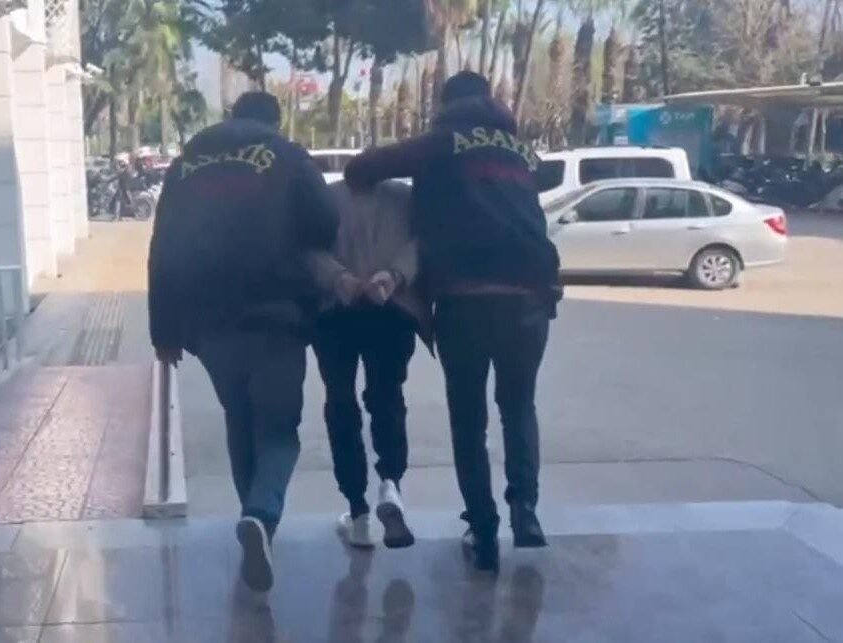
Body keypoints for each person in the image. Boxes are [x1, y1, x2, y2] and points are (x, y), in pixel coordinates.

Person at [343, 71, 561, 572]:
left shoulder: (441, 143)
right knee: (518, 406)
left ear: (446, 104)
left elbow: (362, 169)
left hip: (466, 298)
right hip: (530, 294)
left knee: (469, 419)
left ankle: (482, 529)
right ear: (490, 100)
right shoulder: (520, 150)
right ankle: (525, 510)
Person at [148, 92, 339, 592]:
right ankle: (261, 514)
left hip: (209, 323)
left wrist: (163, 332)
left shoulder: (186, 163)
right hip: (276, 315)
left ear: (232, 117)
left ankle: (253, 520)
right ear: (274, 121)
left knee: (239, 417)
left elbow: (162, 245)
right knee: (279, 430)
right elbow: (326, 222)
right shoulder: (287, 156)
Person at [308, 179, 431, 550]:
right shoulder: (407, 197)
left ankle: (358, 511)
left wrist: (339, 278)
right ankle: (390, 484)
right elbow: (423, 243)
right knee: (387, 396)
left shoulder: (326, 197)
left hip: (335, 311)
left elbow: (305, 249)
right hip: (392, 308)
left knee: (340, 402)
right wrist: (394, 275)